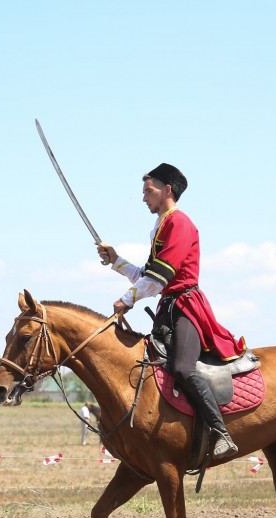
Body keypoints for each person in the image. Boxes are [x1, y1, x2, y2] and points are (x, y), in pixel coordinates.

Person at [96, 163, 246, 459]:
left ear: (167, 190)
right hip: (168, 307)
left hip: (186, 308)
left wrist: (127, 300)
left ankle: (220, 433)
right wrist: (116, 260)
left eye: (148, 191)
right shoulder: (162, 225)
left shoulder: (179, 223)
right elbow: (147, 274)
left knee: (182, 368)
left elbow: (160, 278)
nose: (143, 198)